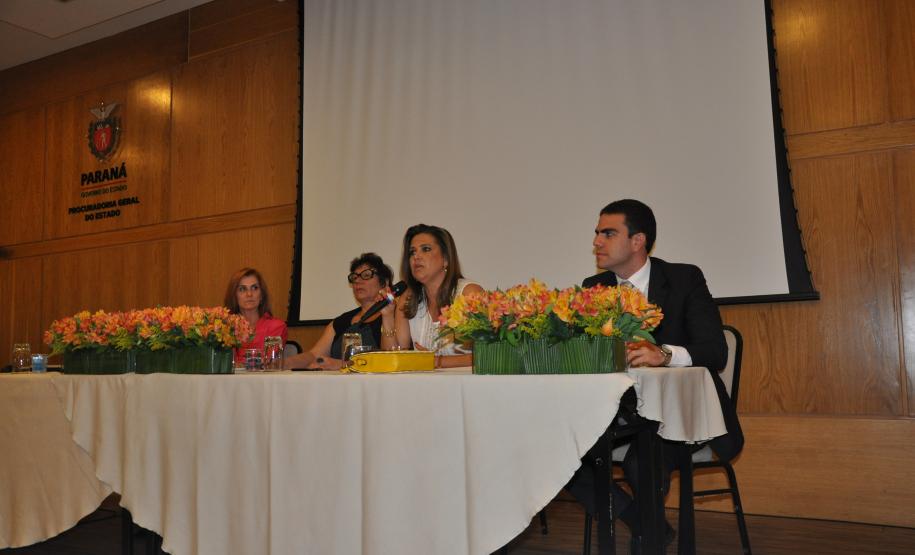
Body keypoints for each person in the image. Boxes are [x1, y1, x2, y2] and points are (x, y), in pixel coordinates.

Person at [567, 199, 744, 551]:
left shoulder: (682, 279)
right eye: (596, 233)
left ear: (638, 241)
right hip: (616, 415)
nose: (596, 242)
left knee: (642, 462)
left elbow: (715, 351)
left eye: (608, 233)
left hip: (680, 416)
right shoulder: (594, 286)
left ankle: (646, 544)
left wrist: (663, 354)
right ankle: (645, 524)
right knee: (560, 455)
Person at [379, 224, 484, 368]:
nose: (416, 256)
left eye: (426, 249)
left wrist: (436, 362)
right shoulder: (408, 299)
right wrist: (387, 316)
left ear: (446, 259)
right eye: (412, 252)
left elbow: (489, 355)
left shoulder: (469, 294)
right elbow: (394, 356)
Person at [285, 253, 394, 370]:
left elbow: (390, 360)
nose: (357, 281)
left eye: (366, 275)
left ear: (384, 282)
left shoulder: (394, 315)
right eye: (355, 277)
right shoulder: (341, 321)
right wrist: (285, 363)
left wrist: (341, 365)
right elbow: (314, 355)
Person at [224, 267, 288, 365]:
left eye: (255, 288)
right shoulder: (225, 328)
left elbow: (269, 363)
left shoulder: (276, 326)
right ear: (234, 296)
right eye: (242, 289)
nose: (249, 294)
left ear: (261, 295)